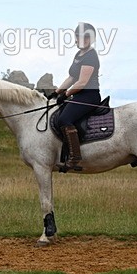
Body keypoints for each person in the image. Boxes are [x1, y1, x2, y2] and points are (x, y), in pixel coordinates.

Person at [53, 23, 102, 172]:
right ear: (76, 38)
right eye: (81, 36)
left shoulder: (91, 56)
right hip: (80, 94)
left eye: (87, 37)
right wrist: (57, 92)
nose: (84, 39)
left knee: (63, 119)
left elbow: (82, 82)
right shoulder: (79, 55)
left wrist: (66, 94)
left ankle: (74, 158)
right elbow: (72, 77)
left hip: (89, 95)